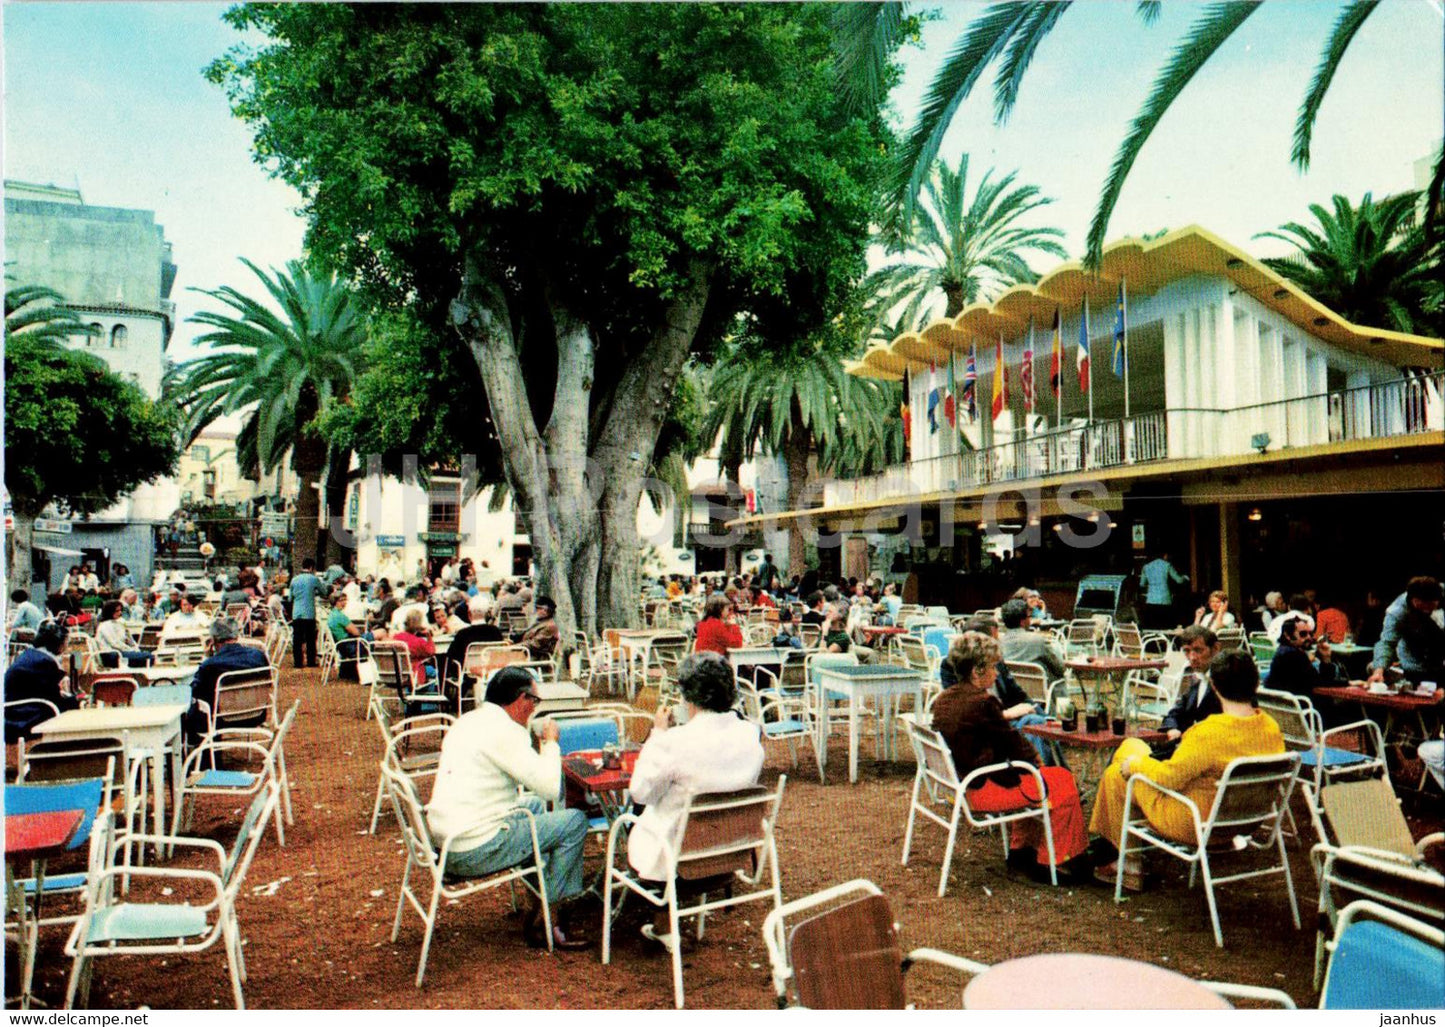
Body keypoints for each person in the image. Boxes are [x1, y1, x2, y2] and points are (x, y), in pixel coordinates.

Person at [1088, 649, 1285, 891]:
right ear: (1256, 683)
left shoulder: (1208, 733)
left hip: (1196, 821)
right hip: (1246, 820)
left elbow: (1169, 778)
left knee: (1116, 774)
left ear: (1213, 685)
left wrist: (1136, 765)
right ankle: (1114, 848)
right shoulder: (1270, 727)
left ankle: (1128, 863)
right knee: (1131, 746)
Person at [426, 666, 590, 949]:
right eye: (535, 702)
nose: (535, 710)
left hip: (448, 838)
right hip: (473, 848)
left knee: (535, 805)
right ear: (521, 700)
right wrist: (550, 744)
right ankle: (548, 916)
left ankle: (539, 896)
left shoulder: (468, 720)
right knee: (574, 821)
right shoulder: (505, 732)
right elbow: (551, 786)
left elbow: (537, 791)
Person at [930, 632, 1089, 880]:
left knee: (1031, 776)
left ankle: (1021, 851)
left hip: (960, 783)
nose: (996, 673)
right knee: (1061, 781)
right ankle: (1058, 860)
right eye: (993, 667)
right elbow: (1016, 747)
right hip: (982, 791)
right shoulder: (983, 702)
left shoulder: (943, 700)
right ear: (977, 671)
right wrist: (1036, 764)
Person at [627, 653, 765, 937]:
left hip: (677, 860)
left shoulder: (675, 742)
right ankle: (663, 925)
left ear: (687, 696)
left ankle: (656, 921)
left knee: (635, 816)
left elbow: (639, 793)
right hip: (730, 853)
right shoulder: (750, 735)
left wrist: (658, 735)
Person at [950, 616, 1062, 768]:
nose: (996, 673)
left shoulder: (947, 698)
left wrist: (1045, 718)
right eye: (993, 667)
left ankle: (1055, 772)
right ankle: (1045, 779)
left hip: (983, 745)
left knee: (1037, 723)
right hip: (987, 769)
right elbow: (1006, 738)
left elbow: (1016, 693)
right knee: (1033, 728)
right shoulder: (972, 697)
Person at [183, 618, 271, 743]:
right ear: (236, 635)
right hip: (256, 715)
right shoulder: (259, 656)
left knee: (191, 712)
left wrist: (208, 657)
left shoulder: (210, 665)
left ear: (213, 640)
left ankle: (204, 757)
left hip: (220, 719)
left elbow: (195, 692)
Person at [4, 621, 81, 739]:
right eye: (67, 642)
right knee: (76, 705)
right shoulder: (46, 662)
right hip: (25, 713)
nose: (67, 646)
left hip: (13, 710)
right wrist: (76, 700)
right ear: (59, 644)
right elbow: (55, 699)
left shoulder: (30, 654)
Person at [1368, 577, 1445, 685]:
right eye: (1423, 606)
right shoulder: (1397, 612)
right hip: (1414, 661)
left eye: (1431, 606)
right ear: (1414, 600)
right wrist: (1379, 670)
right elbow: (1387, 643)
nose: (1427, 610)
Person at [1267, 618, 1346, 701]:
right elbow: (1321, 683)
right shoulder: (1293, 655)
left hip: (1290, 706)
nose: (1309, 637)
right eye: (1303, 634)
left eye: (1310, 634)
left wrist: (1325, 657)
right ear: (1287, 635)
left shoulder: (1283, 651)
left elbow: (1318, 681)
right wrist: (1348, 683)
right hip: (1306, 707)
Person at [998, 599, 1066, 685]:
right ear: (1022, 622)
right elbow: (1060, 668)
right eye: (1029, 617)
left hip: (1010, 692)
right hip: (1040, 693)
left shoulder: (998, 642)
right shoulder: (1037, 640)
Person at [94, 600, 154, 668]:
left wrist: (135, 649)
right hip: (112, 654)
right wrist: (131, 650)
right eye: (117, 611)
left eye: (120, 610)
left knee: (149, 654)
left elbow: (129, 640)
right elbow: (115, 643)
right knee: (148, 656)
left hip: (120, 652)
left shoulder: (118, 623)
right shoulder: (105, 625)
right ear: (110, 611)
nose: (120, 613)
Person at [326, 601, 374, 682]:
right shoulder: (339, 616)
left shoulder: (331, 616)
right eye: (342, 600)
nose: (345, 603)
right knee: (382, 633)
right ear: (337, 602)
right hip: (350, 645)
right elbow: (356, 632)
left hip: (343, 646)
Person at [1139, 551, 1188, 629]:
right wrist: (1185, 577)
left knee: (1154, 624)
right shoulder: (1167, 565)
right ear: (1165, 555)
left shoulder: (1146, 567)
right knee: (1165, 624)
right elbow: (1178, 580)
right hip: (1164, 598)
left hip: (1151, 599)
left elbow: (1142, 583)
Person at [289, 558, 323, 669]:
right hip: (309, 612)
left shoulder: (294, 580)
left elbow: (290, 598)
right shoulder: (314, 579)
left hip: (297, 612)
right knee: (310, 638)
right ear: (312, 567)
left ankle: (298, 662)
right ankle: (310, 661)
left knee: (297, 638)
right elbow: (324, 592)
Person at [394, 608, 439, 682]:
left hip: (399, 672)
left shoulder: (396, 637)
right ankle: (431, 692)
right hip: (415, 673)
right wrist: (429, 636)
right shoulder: (418, 641)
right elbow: (431, 652)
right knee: (436, 672)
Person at [513, 595, 559, 661]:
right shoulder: (540, 622)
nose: (536, 611)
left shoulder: (550, 626)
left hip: (536, 657)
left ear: (545, 610)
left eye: (538, 608)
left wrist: (515, 647)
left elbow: (535, 644)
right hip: (527, 653)